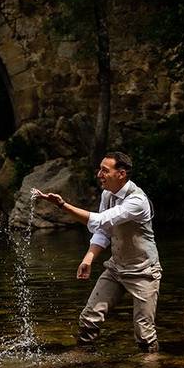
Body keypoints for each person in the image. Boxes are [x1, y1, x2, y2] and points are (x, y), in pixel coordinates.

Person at [36, 151, 161, 352]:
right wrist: (88, 259)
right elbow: (103, 231)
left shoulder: (137, 201)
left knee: (145, 335)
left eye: (104, 170)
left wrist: (62, 205)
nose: (99, 174)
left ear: (121, 174)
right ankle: (82, 359)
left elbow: (101, 220)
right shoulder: (107, 195)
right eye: (99, 169)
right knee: (88, 319)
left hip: (143, 272)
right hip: (116, 268)